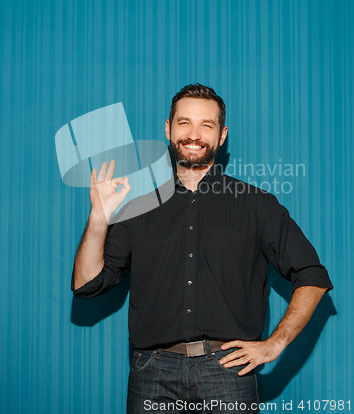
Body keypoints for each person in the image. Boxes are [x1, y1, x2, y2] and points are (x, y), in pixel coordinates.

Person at [72, 84, 333, 413]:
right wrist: (99, 217)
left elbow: (312, 276)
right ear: (168, 129)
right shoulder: (136, 209)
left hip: (228, 373)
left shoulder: (258, 206)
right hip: (151, 373)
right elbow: (86, 285)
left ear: (221, 136)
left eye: (206, 125)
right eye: (184, 123)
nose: (193, 134)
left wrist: (275, 343)